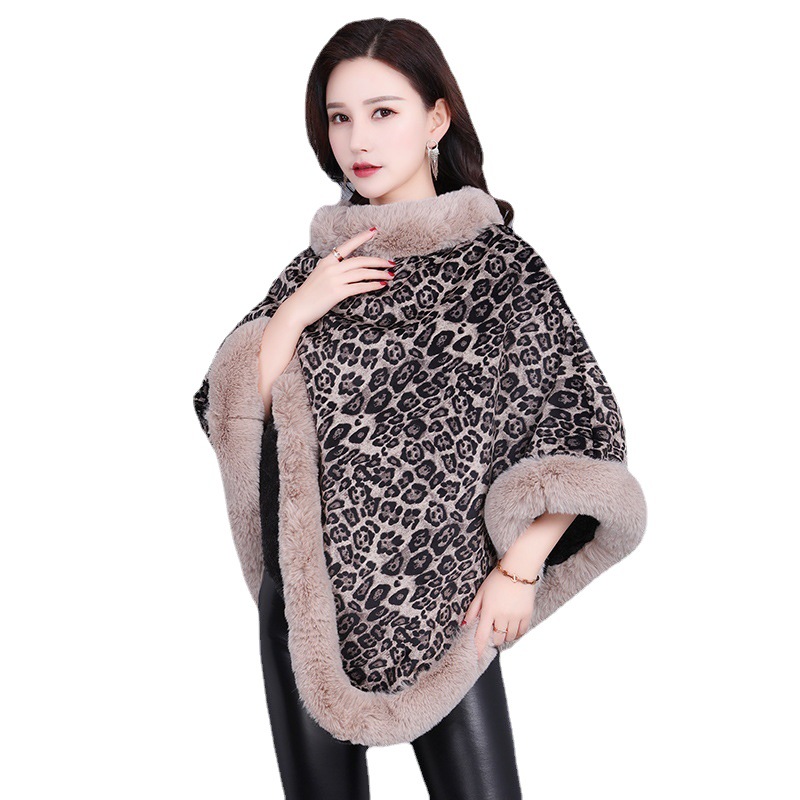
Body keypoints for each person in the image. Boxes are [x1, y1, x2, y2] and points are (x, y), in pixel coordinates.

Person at [193, 17, 647, 800]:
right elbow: (225, 409)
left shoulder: (501, 269)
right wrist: (299, 310)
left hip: (448, 605)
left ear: (436, 119)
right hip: (308, 612)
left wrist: (520, 567)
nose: (357, 139)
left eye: (383, 112)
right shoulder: (315, 270)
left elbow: (581, 435)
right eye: (339, 117)